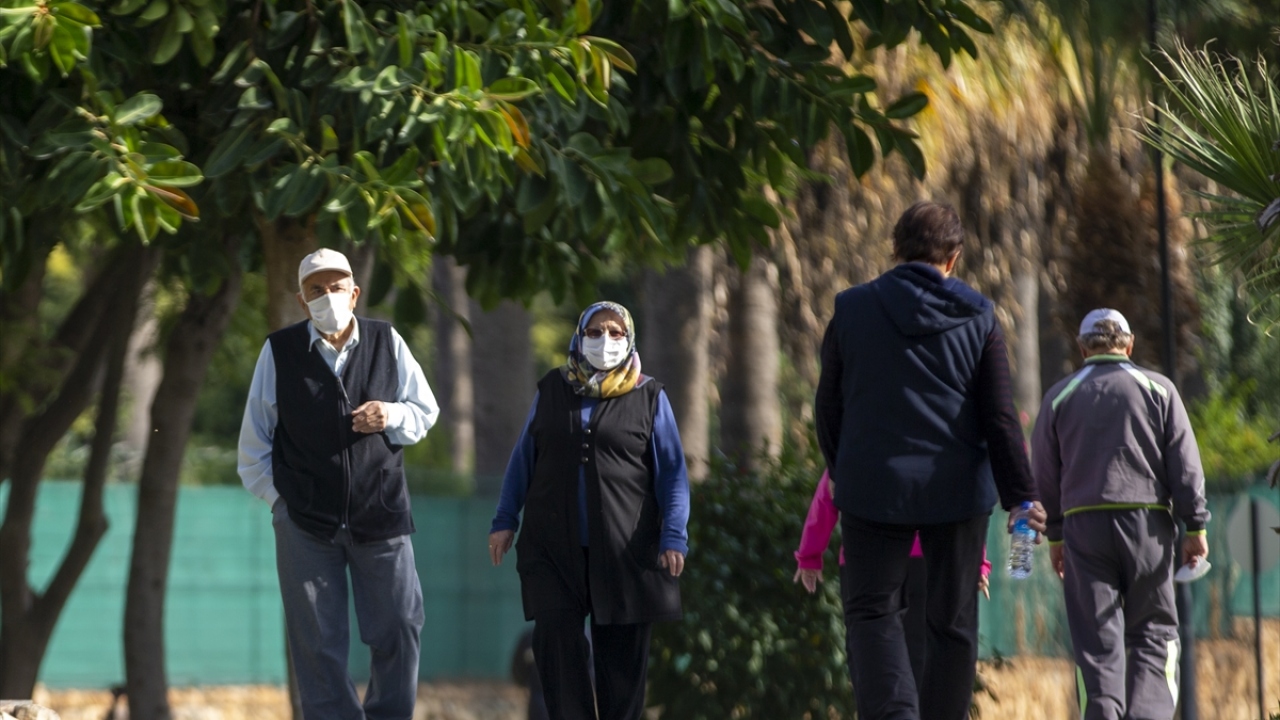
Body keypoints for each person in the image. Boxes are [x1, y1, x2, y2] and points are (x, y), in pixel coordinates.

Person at [814, 200, 1046, 720]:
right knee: (953, 621)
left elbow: (827, 405)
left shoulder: (851, 308)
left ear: (895, 250)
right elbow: (1000, 418)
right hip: (957, 492)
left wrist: (842, 468)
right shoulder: (980, 316)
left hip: (873, 488)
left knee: (873, 614)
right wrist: (1021, 497)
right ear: (954, 257)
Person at [237, 248, 439, 720]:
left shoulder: (387, 340)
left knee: (399, 626)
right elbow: (253, 444)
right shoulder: (279, 351)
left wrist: (389, 413)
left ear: (355, 291)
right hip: (305, 524)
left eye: (335, 287)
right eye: (315, 290)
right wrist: (280, 503)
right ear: (301, 299)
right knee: (317, 645)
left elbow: (424, 412)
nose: (327, 297)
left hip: (382, 512)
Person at [487, 301, 690, 720]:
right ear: (579, 338)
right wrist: (505, 519)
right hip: (553, 550)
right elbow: (523, 458)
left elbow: (672, 472)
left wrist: (674, 534)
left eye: (616, 333)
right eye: (596, 332)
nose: (605, 340)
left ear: (630, 339)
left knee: (621, 670)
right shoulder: (552, 389)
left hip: (625, 554)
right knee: (557, 647)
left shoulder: (650, 396)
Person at [1031, 309, 1210, 720]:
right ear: (1129, 345)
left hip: (1083, 528)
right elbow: (1185, 465)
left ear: (1081, 349)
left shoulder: (1059, 396)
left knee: (1096, 643)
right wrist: (1194, 526)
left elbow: (1044, 473)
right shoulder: (1159, 390)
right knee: (1154, 632)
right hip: (1148, 526)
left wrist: (1056, 537)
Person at [793, 469, 992, 687]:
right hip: (925, 557)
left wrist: (810, 555)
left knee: (870, 652)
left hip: (867, 560)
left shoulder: (859, 440)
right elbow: (962, 507)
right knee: (920, 653)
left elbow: (828, 492)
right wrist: (976, 561)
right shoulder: (936, 444)